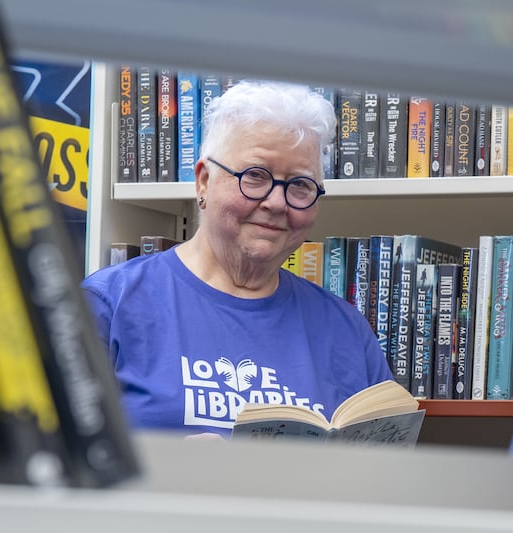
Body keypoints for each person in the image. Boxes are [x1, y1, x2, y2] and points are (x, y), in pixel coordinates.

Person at [82, 80, 392, 438]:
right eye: (255, 176)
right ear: (203, 182)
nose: (277, 203)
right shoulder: (108, 306)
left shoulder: (345, 330)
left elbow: (383, 478)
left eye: (301, 185)